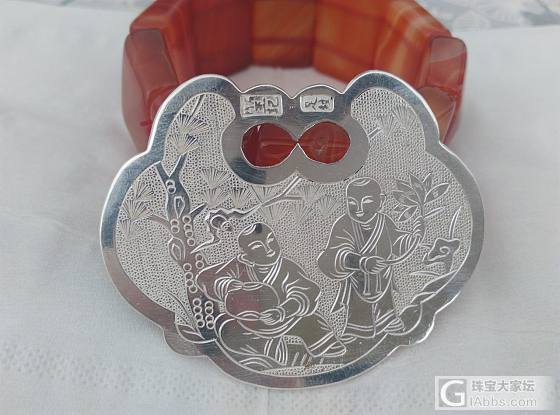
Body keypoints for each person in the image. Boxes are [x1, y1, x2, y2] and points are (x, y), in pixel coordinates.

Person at [196, 222, 345, 368]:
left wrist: (282, 311)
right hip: (252, 323)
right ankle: (266, 360)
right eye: (258, 246)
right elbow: (207, 279)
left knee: (314, 323)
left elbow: (304, 292)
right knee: (226, 329)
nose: (269, 249)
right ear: (246, 256)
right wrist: (228, 285)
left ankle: (329, 358)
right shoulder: (239, 266)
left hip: (287, 318)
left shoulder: (287, 268)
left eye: (271, 240)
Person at [318, 177, 424, 343]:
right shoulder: (344, 224)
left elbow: (396, 242)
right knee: (359, 307)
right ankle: (357, 328)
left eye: (366, 201)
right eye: (352, 202)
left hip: (382, 277)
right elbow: (337, 252)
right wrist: (361, 262)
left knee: (385, 301)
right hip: (358, 280)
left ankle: (388, 320)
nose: (359, 209)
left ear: (380, 201)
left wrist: (414, 237)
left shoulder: (384, 221)